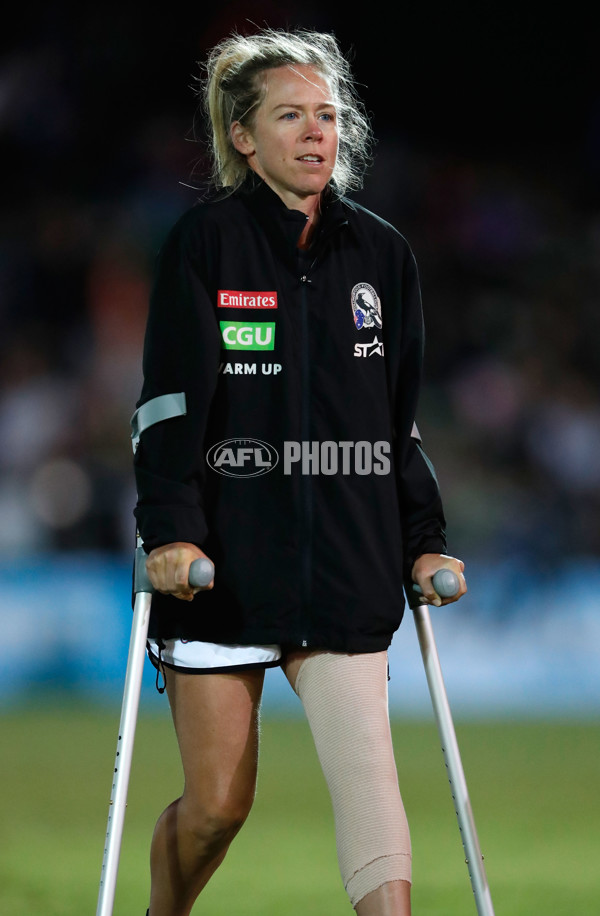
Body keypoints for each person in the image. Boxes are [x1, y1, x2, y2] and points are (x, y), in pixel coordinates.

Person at [132, 27, 466, 916]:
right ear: (245, 137)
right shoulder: (204, 244)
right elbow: (167, 406)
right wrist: (169, 530)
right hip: (224, 568)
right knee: (216, 810)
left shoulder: (384, 255)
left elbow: (399, 425)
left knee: (372, 798)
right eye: (290, 117)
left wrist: (424, 542)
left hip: (348, 564)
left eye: (326, 115)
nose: (316, 133)